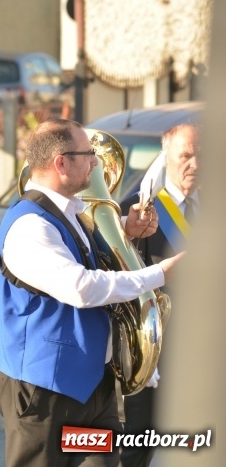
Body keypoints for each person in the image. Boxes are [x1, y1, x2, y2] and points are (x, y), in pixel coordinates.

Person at [0, 117, 184, 467]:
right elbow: (80, 287)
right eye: (88, 154)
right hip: (43, 388)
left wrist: (127, 228)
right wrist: (158, 274)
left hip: (91, 385)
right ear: (61, 163)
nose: (95, 162)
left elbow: (81, 248)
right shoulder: (29, 225)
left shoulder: (69, 212)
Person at [119, 122, 200, 467]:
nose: (195, 164)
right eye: (186, 156)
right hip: (156, 350)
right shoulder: (138, 211)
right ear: (167, 157)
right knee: (140, 440)